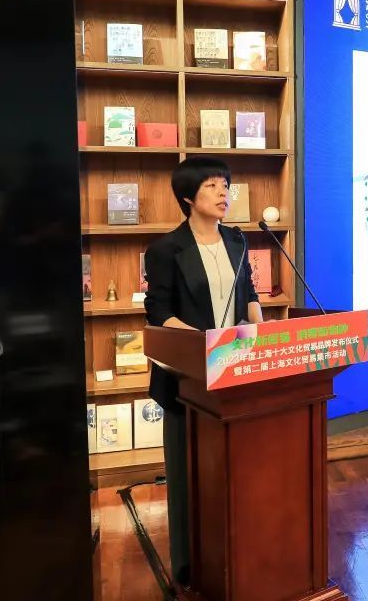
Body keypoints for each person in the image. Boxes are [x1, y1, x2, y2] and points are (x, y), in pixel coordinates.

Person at [143, 156, 263, 587]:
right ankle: (189, 568)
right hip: (188, 379)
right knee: (188, 475)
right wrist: (203, 347)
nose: (223, 192)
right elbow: (158, 311)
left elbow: (249, 293)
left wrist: (259, 329)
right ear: (188, 197)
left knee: (235, 472)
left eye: (225, 185)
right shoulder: (165, 250)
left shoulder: (237, 240)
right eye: (212, 185)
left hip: (236, 372)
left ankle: (239, 557)